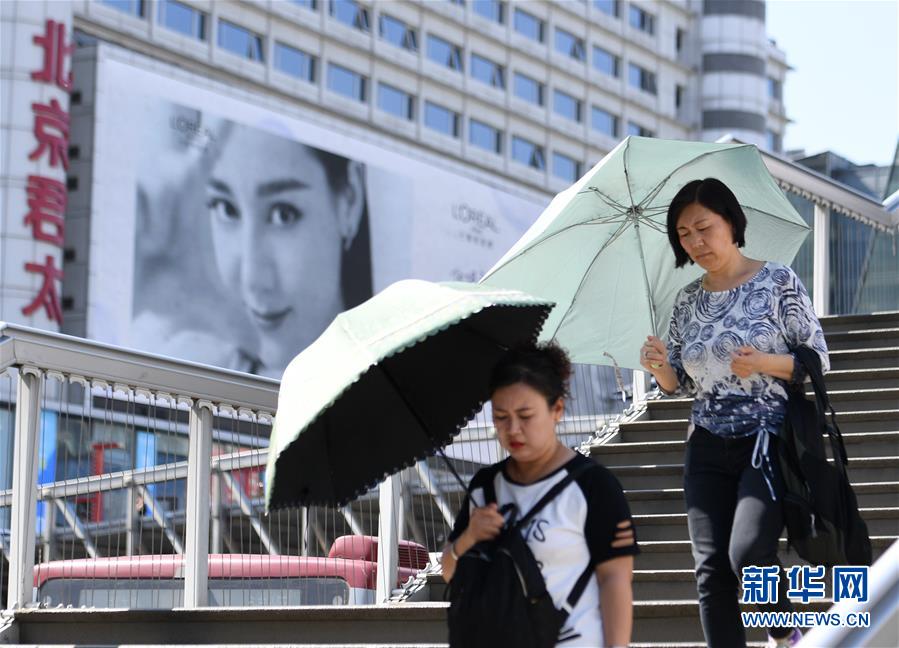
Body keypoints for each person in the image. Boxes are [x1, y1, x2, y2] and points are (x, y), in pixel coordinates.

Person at [639, 178, 829, 648]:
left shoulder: (777, 280)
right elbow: (680, 383)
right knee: (711, 572)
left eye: (704, 227)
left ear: (731, 222)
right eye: (684, 234)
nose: (695, 241)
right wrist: (661, 366)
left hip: (767, 436)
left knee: (745, 553)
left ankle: (786, 632)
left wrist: (763, 363)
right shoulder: (686, 301)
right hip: (704, 443)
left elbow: (818, 359)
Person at [442, 342, 637, 647]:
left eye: (526, 415)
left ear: (556, 409)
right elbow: (450, 572)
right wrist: (469, 537)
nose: (513, 429)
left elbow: (615, 580)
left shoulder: (594, 485)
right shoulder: (484, 486)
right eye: (501, 417)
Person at [203, 120, 373, 376]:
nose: (252, 279)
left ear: (349, 200)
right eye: (227, 209)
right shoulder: (193, 371)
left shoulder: (397, 390)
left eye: (283, 214)